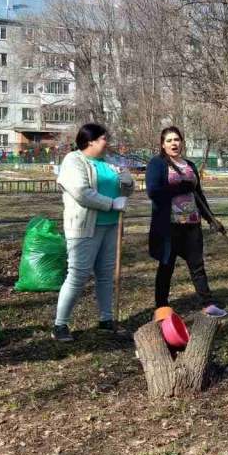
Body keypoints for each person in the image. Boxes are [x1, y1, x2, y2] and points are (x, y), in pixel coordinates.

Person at [53, 123, 135, 341]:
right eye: (103, 138)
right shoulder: (73, 161)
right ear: (90, 141)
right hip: (84, 226)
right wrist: (111, 204)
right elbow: (82, 193)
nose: (107, 142)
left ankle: (106, 319)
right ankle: (60, 325)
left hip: (111, 226)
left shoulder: (108, 162)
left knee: (106, 275)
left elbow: (123, 191)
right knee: (78, 275)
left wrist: (128, 184)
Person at [146, 126, 228, 318]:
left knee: (197, 265)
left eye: (177, 139)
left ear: (182, 141)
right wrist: (180, 187)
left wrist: (211, 219)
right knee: (166, 267)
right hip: (169, 227)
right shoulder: (157, 164)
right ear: (162, 144)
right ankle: (161, 307)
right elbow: (154, 192)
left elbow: (198, 195)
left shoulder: (189, 165)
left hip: (192, 225)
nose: (174, 143)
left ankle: (208, 305)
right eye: (169, 140)